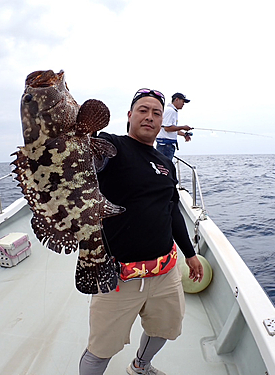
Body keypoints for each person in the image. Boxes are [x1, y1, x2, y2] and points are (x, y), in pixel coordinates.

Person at [79, 88, 204, 375]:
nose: (149, 116)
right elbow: (84, 147)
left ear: (162, 121)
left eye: (156, 113)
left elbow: (171, 209)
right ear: (130, 115)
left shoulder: (165, 163)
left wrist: (190, 254)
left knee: (164, 329)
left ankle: (140, 366)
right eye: (143, 110)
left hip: (165, 271)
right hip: (117, 275)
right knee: (101, 349)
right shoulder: (112, 146)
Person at [155, 92, 192, 160]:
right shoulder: (170, 111)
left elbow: (172, 129)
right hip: (165, 146)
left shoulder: (172, 111)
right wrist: (183, 127)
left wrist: (184, 134)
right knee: (166, 168)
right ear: (177, 99)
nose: (183, 104)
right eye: (183, 101)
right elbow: (167, 128)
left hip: (167, 145)